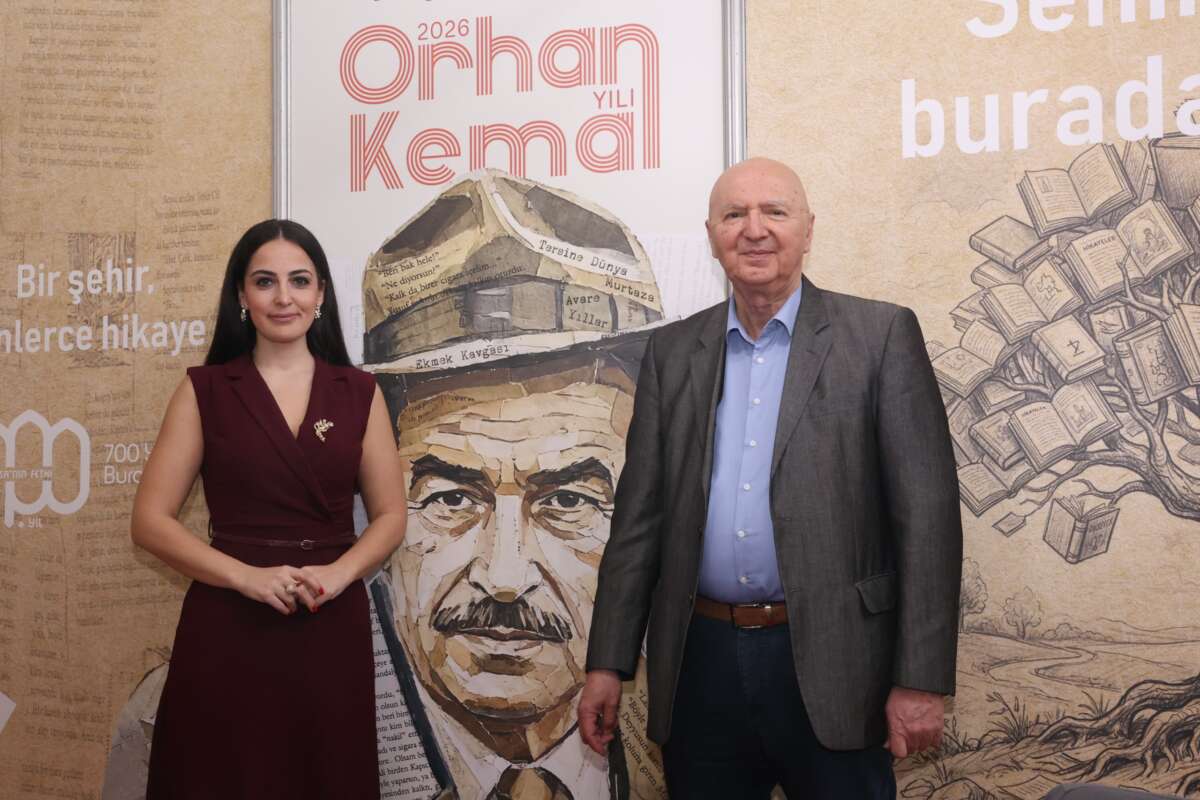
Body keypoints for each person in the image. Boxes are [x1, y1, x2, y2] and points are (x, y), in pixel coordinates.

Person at [579, 158, 963, 799]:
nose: (754, 230)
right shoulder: (672, 353)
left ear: (808, 229)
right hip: (700, 664)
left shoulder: (879, 337)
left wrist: (919, 678)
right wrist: (607, 662)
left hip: (839, 664)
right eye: (735, 215)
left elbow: (927, 521)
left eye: (774, 212)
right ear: (712, 235)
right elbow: (639, 521)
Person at [130, 219, 406, 799]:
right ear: (241, 295)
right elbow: (149, 522)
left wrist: (337, 575)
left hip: (329, 622)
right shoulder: (204, 389)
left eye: (299, 280)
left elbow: (390, 517)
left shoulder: (359, 392)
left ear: (321, 292)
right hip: (228, 624)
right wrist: (246, 578)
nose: (284, 297)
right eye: (265, 281)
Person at [375, 338, 655, 799]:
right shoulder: (340, 729)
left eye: (569, 501)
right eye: (451, 499)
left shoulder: (691, 733)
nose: (504, 579)